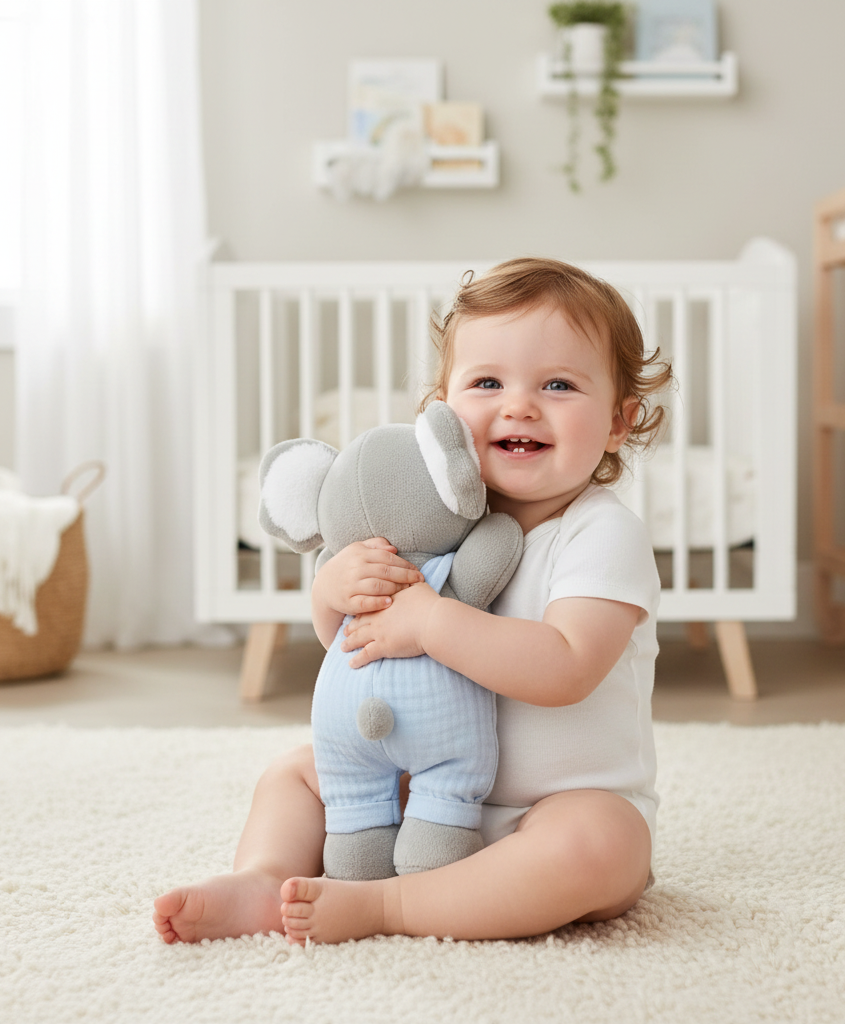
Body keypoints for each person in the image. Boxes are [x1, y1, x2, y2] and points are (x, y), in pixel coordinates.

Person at [153, 257, 672, 946]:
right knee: (297, 774)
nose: (519, 405)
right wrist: (334, 591)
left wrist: (432, 621)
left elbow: (565, 667)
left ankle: (389, 907)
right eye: (487, 382)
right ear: (443, 414)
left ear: (617, 421)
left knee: (599, 845)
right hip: (422, 790)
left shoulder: (602, 532)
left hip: (550, 809)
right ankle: (263, 879)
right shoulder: (429, 523)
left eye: (558, 384)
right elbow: (356, 641)